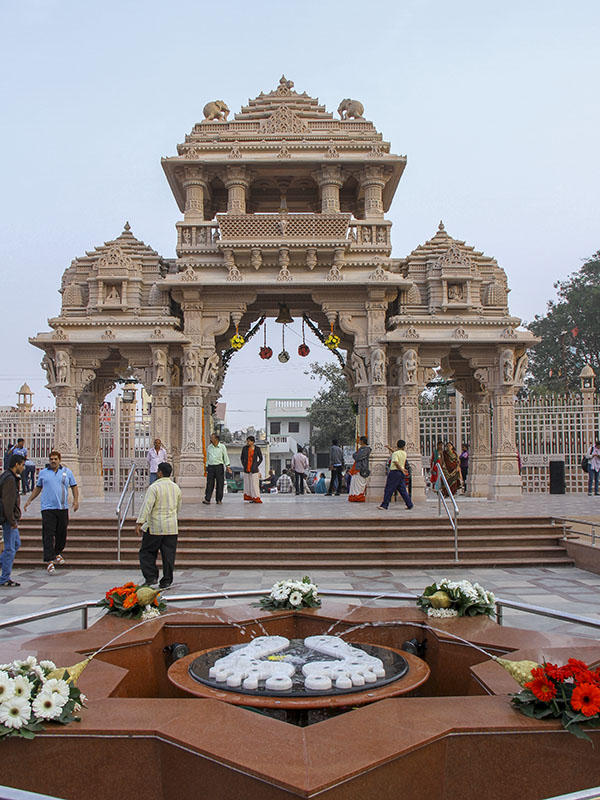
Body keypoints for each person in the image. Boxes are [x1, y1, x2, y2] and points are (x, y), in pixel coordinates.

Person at [24, 450, 79, 574]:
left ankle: (57, 552)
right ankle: (49, 560)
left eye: (55, 459)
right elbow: (38, 487)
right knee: (48, 534)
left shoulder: (66, 472)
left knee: (61, 533)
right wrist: (29, 500)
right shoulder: (43, 473)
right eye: (51, 459)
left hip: (62, 507)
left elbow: (74, 486)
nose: (53, 461)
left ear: (59, 460)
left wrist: (76, 501)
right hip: (48, 508)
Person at [135, 462, 182, 590]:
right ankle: (166, 580)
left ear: (160, 472)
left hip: (156, 526)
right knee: (168, 555)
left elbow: (147, 506)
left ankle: (151, 577)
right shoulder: (176, 488)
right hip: (171, 527)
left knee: (147, 551)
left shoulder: (154, 488)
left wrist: (140, 522)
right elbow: (178, 507)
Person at [0, 455, 26, 587]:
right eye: (22, 465)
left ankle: (3, 565)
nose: (23, 467)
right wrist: (11, 521)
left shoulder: (7, 476)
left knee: (16, 543)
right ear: (17, 465)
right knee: (10, 548)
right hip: (9, 519)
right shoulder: (10, 479)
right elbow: (8, 502)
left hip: (9, 517)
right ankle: (4, 578)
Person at [378, 439, 413, 511]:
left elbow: (396, 463)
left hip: (394, 472)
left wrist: (401, 469)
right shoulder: (404, 453)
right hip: (400, 474)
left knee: (389, 489)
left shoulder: (395, 454)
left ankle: (384, 505)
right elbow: (395, 452)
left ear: (397, 446)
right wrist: (389, 448)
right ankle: (409, 504)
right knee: (402, 490)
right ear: (404, 447)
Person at [203, 433, 232, 505]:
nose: (211, 439)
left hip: (219, 466)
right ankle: (207, 499)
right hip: (211, 466)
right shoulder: (209, 447)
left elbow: (225, 457)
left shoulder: (222, 447)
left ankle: (219, 499)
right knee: (209, 483)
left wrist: (228, 466)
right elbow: (207, 457)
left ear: (216, 439)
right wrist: (206, 466)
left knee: (220, 483)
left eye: (212, 438)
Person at [241, 435, 263, 504]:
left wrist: (256, 465)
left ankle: (256, 497)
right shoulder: (245, 448)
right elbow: (242, 458)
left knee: (254, 484)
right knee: (248, 484)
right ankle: (250, 497)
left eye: (249, 441)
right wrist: (244, 465)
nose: (247, 442)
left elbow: (261, 458)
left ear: (253, 442)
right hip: (247, 468)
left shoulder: (257, 449)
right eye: (247, 441)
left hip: (254, 469)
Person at [348, 436, 371, 503]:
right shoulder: (360, 449)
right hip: (356, 468)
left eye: (360, 440)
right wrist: (356, 455)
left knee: (360, 484)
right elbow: (355, 455)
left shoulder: (367, 449)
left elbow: (357, 457)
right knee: (354, 484)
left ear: (362, 441)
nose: (359, 442)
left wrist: (356, 455)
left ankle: (359, 497)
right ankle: (354, 497)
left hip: (362, 469)